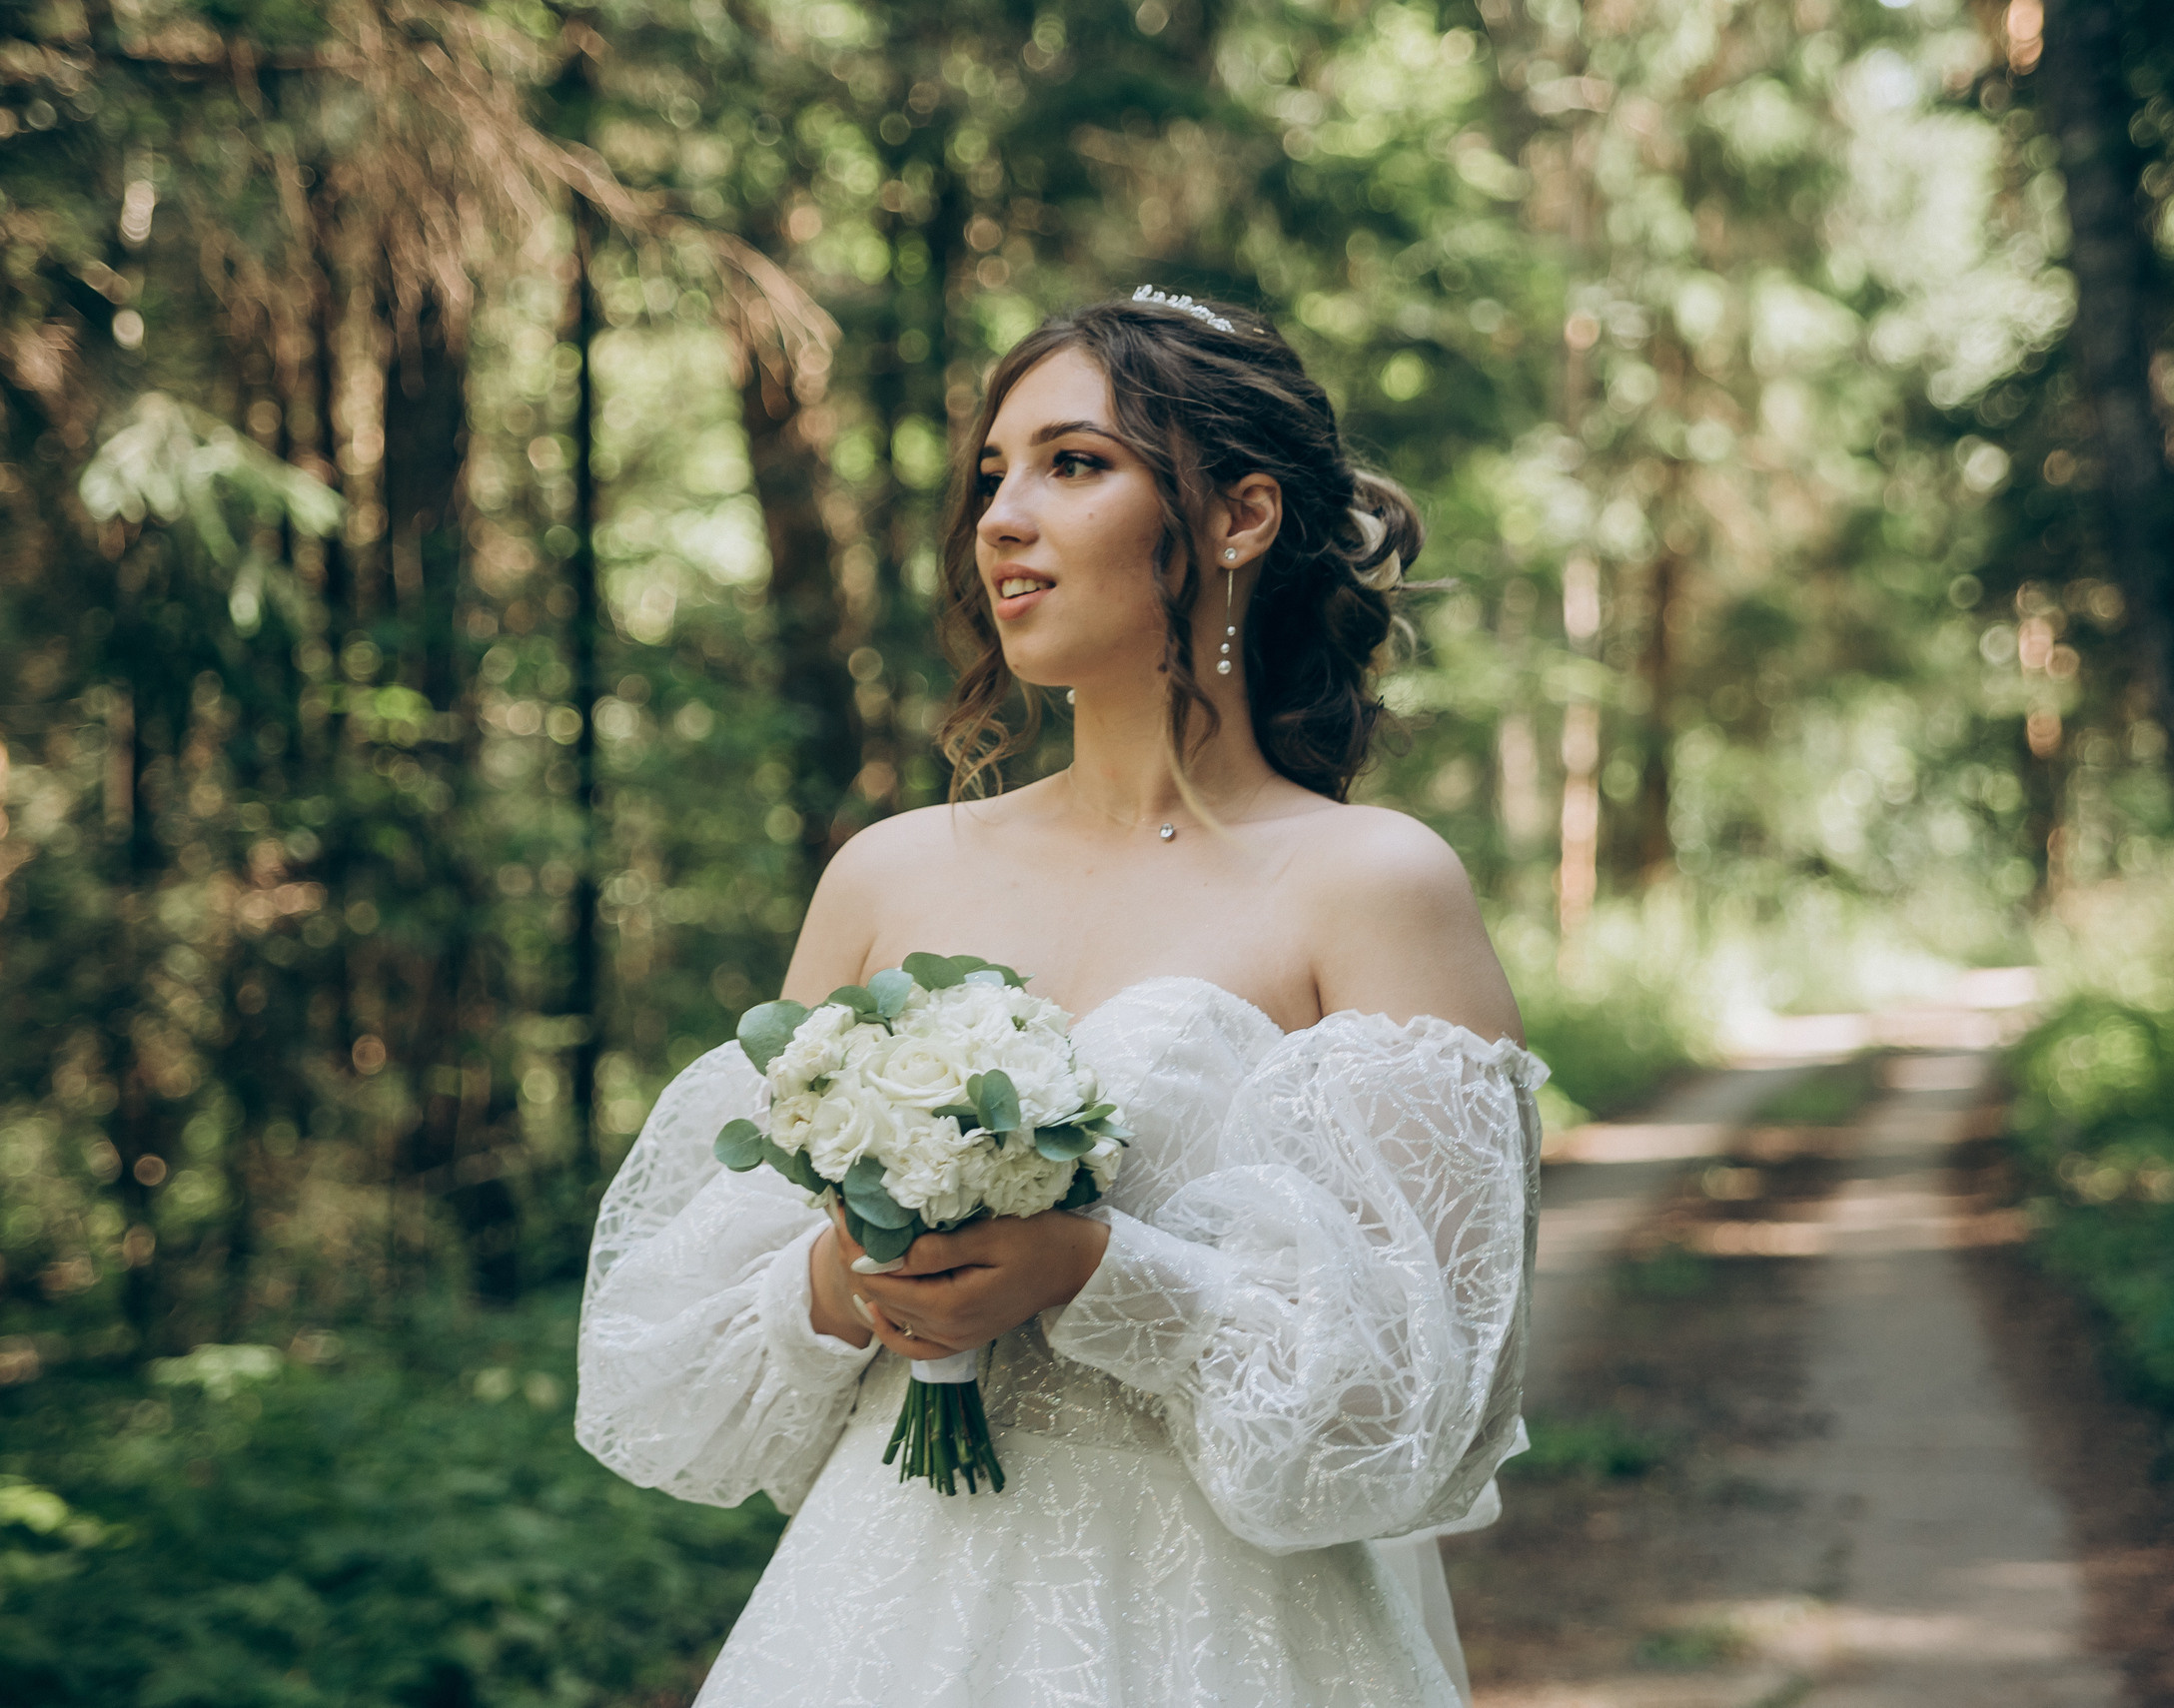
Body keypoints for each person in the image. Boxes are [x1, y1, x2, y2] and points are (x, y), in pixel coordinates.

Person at [576, 290, 1547, 1707]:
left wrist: (1096, 1272)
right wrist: (854, 1280)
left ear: (1240, 517)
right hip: (877, 1622)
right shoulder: (886, 875)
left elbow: (1413, 1409)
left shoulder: (1371, 884)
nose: (1000, 518)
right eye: (993, 474)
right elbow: (689, 1376)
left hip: (1223, 1640)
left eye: (1073, 464)